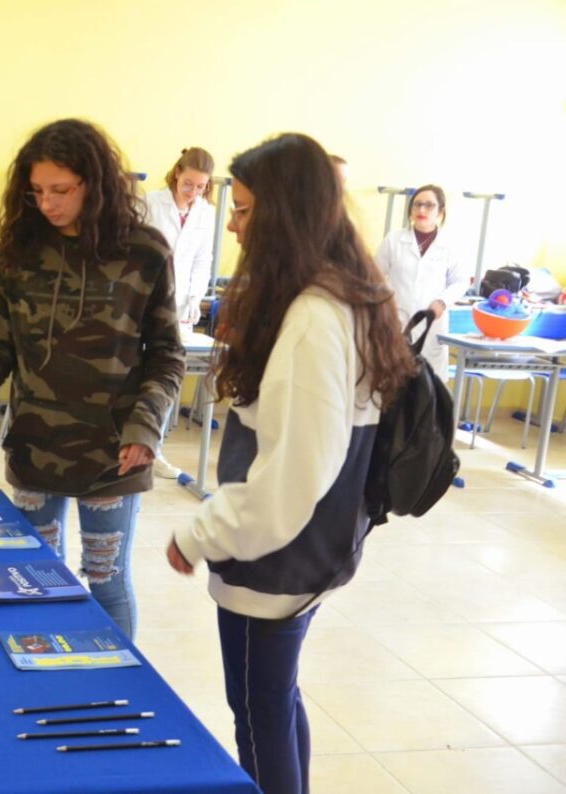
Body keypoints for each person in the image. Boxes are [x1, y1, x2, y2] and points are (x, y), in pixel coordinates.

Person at [166, 133, 415, 793]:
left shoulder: (314, 316)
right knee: (277, 697)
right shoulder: (344, 294)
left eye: (245, 209)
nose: (234, 223)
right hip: (315, 546)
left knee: (260, 710)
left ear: (285, 214)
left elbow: (287, 482)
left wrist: (198, 532)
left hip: (279, 553)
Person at [0, 118, 186, 638]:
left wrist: (145, 428)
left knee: (105, 582)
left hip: (114, 454)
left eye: (60, 190)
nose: (47, 204)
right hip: (37, 450)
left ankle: (114, 688)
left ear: (95, 183)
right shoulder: (19, 253)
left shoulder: (145, 252)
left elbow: (168, 355)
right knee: (38, 578)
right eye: (36, 192)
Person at [143, 146, 217, 480]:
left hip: (182, 306)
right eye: (189, 184)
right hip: (145, 299)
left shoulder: (205, 212)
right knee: (139, 374)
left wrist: (194, 298)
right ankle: (132, 443)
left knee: (168, 375)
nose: (194, 192)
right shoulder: (150, 203)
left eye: (201, 187)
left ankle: (153, 450)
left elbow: (204, 259)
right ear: (177, 173)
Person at [375, 184, 469, 378]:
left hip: (432, 327)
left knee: (429, 390)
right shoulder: (394, 239)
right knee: (393, 387)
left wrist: (442, 302)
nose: (421, 210)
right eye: (417, 204)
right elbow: (374, 276)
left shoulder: (450, 245)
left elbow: (461, 282)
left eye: (429, 205)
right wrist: (384, 304)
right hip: (396, 324)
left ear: (441, 212)